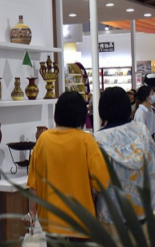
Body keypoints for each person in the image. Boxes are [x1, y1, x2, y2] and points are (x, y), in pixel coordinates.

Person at [26, 91, 110, 241]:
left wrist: (32, 212)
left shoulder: (43, 139)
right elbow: (102, 182)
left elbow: (33, 184)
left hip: (51, 221)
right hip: (82, 221)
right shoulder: (86, 141)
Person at [94, 87, 155, 245]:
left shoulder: (98, 139)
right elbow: (153, 161)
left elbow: (96, 179)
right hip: (144, 209)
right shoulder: (142, 132)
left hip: (111, 213)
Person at [134, 85, 155, 178]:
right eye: (152, 94)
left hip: (154, 140)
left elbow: (152, 125)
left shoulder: (151, 109)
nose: (154, 95)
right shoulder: (140, 112)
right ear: (146, 97)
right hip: (146, 144)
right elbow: (141, 131)